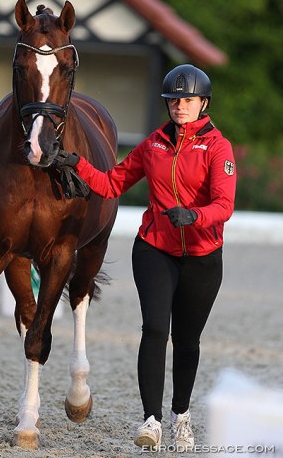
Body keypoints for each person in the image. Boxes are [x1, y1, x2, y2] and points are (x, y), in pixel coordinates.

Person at [54, 64, 236, 451]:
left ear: (203, 103)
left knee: (187, 341)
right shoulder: (154, 144)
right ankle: (151, 420)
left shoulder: (218, 147)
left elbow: (225, 204)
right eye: (173, 100)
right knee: (155, 329)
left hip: (202, 255)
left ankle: (180, 417)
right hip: (154, 248)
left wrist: (195, 216)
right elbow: (111, 182)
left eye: (187, 100)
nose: (179, 106)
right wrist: (76, 163)